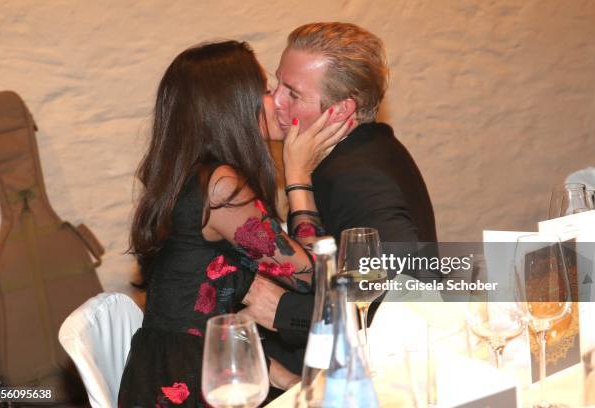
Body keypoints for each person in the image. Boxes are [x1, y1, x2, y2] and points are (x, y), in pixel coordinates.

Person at [117, 40, 351, 407]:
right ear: (232, 106)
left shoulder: (196, 178)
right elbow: (314, 275)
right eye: (265, 90)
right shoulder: (220, 187)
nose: (276, 100)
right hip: (187, 384)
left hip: (180, 365)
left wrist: (286, 379)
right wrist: (299, 175)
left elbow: (212, 311)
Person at [240, 22, 439, 373]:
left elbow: (402, 292)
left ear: (341, 110)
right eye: (277, 85)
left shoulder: (354, 176)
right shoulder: (367, 146)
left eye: (293, 93)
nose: (275, 103)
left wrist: (284, 312)